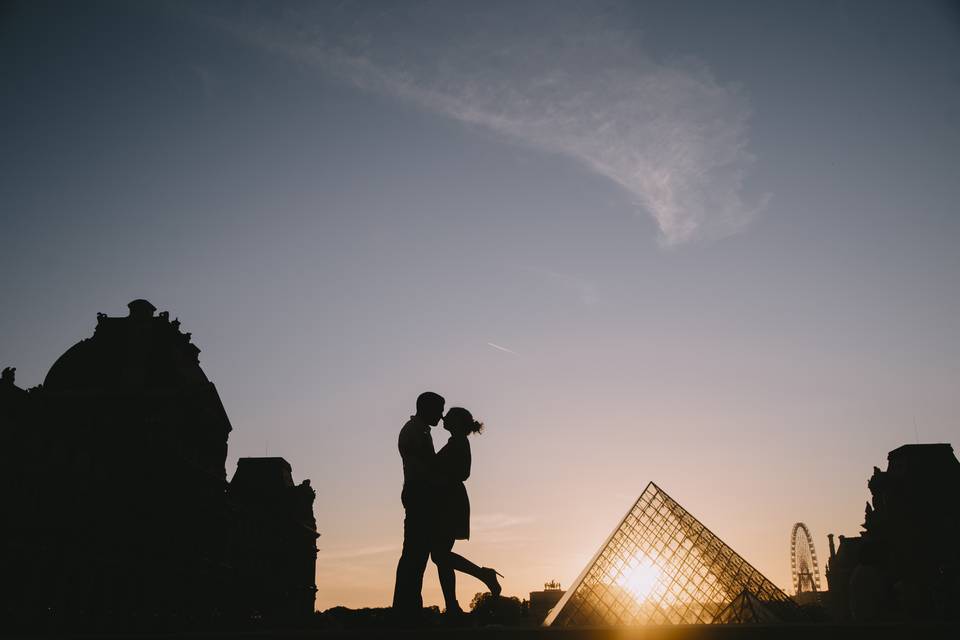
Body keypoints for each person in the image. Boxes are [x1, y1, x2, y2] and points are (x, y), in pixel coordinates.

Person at [430, 407, 503, 617]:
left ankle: (481, 578)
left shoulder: (458, 442)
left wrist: (439, 474)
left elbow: (463, 472)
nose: (444, 417)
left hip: (449, 501)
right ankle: (453, 605)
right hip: (449, 499)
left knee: (440, 556)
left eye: (449, 415)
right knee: (441, 557)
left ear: (458, 422)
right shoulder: (458, 441)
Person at [392, 391, 445, 622]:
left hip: (418, 492)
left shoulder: (417, 430)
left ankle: (408, 607)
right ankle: (407, 610)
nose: (442, 416)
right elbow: (424, 465)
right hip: (419, 493)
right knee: (415, 553)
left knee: (416, 553)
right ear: (427, 408)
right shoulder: (415, 431)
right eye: (439, 410)